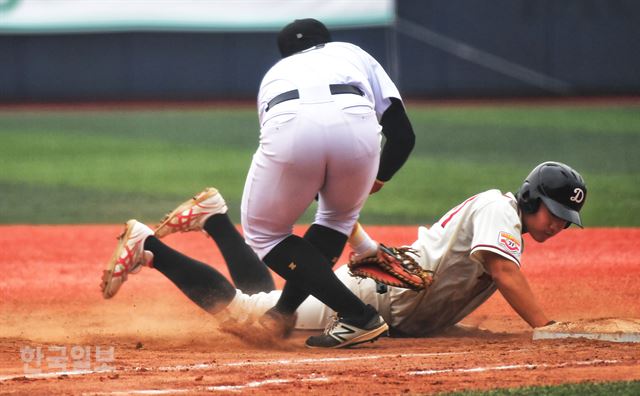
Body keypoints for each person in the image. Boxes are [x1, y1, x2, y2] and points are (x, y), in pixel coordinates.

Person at [101, 18, 416, 349]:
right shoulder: (351, 53)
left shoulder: (276, 74)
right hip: (359, 126)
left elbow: (293, 148)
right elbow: (403, 135)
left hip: (291, 123)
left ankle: (350, 315)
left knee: (267, 234)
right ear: (326, 41)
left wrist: (312, 178)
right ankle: (286, 312)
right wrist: (377, 177)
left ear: (286, 53)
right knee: (337, 220)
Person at [101, 161, 586, 340]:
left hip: (393, 293)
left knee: (272, 302)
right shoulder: (501, 213)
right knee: (249, 318)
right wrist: (546, 331)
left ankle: (216, 219)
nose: (558, 226)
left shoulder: (502, 217)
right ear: (530, 200)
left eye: (565, 221)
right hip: (377, 297)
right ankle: (150, 247)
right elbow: (504, 273)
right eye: (555, 215)